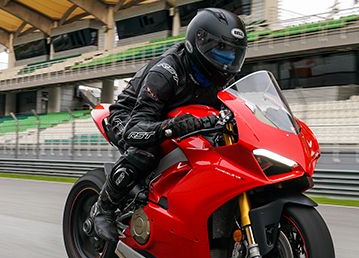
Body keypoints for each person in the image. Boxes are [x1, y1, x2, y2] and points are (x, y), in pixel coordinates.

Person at [83, 8, 248, 242]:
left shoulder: (225, 77)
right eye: (222, 49)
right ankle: (103, 208)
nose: (229, 58)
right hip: (130, 115)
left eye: (234, 52)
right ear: (199, 42)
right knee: (146, 151)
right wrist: (176, 127)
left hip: (178, 118)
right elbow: (134, 130)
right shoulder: (167, 71)